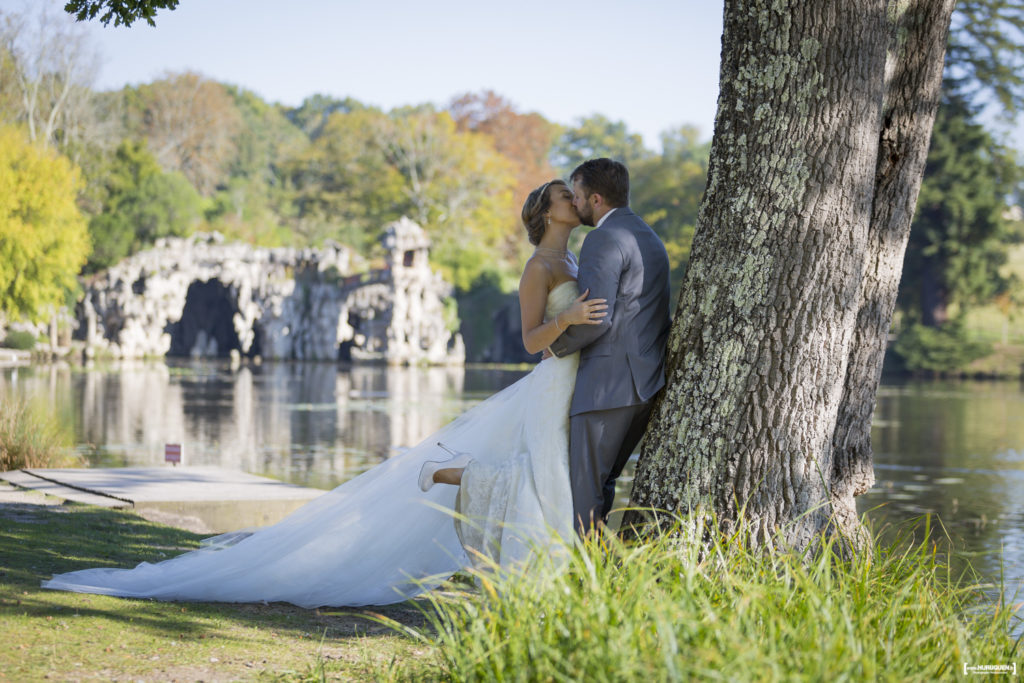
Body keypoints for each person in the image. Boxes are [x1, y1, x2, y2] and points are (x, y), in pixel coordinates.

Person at [41, 180, 604, 608]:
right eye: (564, 195)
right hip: (551, 380)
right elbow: (531, 340)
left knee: (544, 473)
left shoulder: (575, 259)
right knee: (541, 473)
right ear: (546, 212)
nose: (574, 200)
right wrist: (570, 318)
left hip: (569, 382)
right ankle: (521, 559)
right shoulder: (538, 267)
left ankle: (473, 494)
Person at [548, 158, 671, 535]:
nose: (575, 203)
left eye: (578, 195)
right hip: (646, 383)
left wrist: (555, 347)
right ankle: (603, 566)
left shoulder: (602, 238)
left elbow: (596, 317)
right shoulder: (648, 235)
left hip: (606, 386)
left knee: (584, 496)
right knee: (603, 487)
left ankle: (588, 570)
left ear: (596, 199)